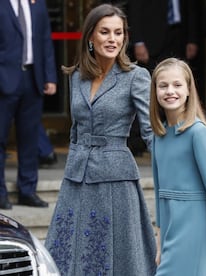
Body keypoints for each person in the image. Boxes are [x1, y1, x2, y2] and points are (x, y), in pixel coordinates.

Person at [44, 4, 156, 275]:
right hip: (76, 179)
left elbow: (151, 131)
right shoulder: (77, 76)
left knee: (115, 260)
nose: (112, 39)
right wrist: (73, 160)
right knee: (66, 256)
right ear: (91, 37)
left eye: (118, 33)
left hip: (116, 181)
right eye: (105, 32)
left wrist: (177, 166)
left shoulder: (136, 77)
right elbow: (76, 129)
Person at [150, 57, 206, 275]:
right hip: (170, 230)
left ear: (188, 90)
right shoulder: (159, 136)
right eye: (163, 85)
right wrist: (159, 242)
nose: (170, 91)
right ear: (155, 91)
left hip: (195, 228)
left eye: (177, 85)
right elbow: (160, 194)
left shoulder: (198, 133)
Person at [0, 0, 57, 210]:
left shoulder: (37, 4)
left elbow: (45, 41)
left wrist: (50, 77)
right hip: (4, 81)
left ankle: (27, 190)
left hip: (33, 78)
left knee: (30, 140)